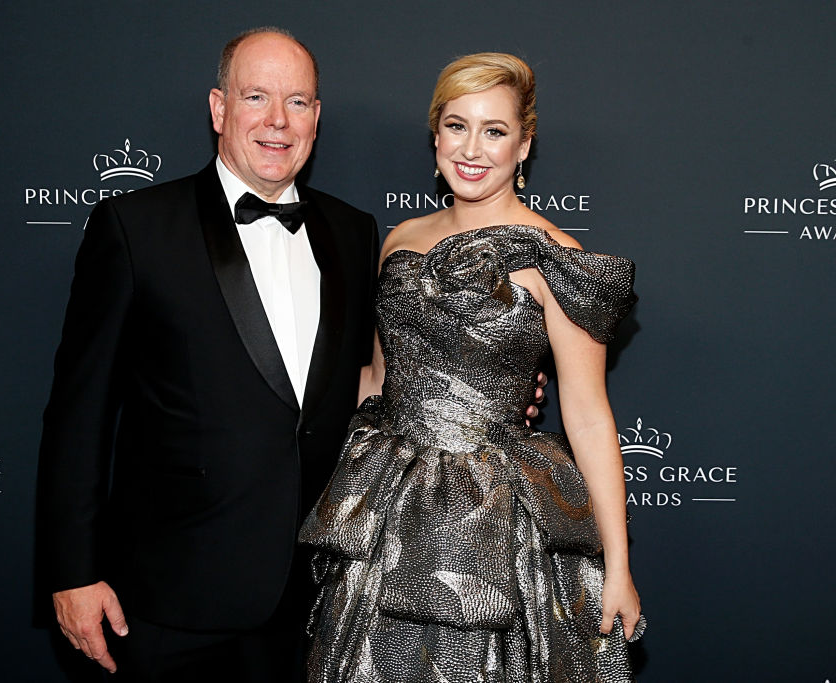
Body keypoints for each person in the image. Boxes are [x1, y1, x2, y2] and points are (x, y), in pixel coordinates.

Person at [35, 27, 380, 682]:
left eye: (298, 102)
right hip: (166, 601)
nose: (278, 121)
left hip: (309, 602)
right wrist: (72, 572)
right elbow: (79, 414)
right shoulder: (135, 227)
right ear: (219, 108)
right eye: (257, 97)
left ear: (316, 117)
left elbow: (358, 385)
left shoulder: (354, 232)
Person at [300, 52, 645, 682]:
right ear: (435, 135)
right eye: (457, 126)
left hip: (492, 519)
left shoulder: (557, 259)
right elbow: (376, 380)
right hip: (385, 506)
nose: (472, 149)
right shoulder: (399, 240)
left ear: (523, 146)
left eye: (495, 131)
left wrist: (618, 566)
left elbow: (589, 416)